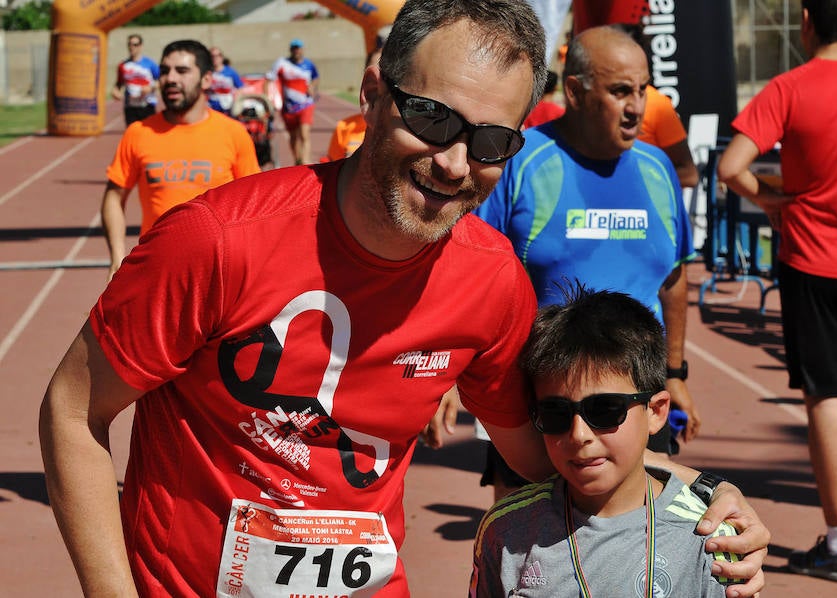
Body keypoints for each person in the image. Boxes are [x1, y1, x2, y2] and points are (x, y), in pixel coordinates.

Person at [39, 2, 768, 596]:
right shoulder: (217, 241)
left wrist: (701, 496)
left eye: (490, 142)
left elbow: (560, 450)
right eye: (431, 117)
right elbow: (73, 410)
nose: (454, 163)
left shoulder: (491, 284)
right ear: (374, 93)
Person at [475, 25, 701, 500]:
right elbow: (473, 272)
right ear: (575, 91)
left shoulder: (658, 169)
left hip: (633, 406)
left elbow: (674, 279)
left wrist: (676, 375)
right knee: (526, 553)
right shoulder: (522, 162)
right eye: (621, 91)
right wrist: (452, 378)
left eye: (643, 90)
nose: (637, 107)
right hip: (542, 405)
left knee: (641, 550)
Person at [718, 0, 837, 583]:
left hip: (811, 265)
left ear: (805, 20)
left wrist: (770, 200)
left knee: (825, 398)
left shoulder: (788, 88)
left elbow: (731, 167)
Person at [470, 285, 743, 597]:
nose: (578, 434)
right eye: (555, 413)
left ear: (655, 411)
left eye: (604, 409)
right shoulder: (506, 530)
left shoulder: (710, 541)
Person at [100, 40, 260, 281]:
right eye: (165, 71)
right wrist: (117, 258)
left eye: (182, 71)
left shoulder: (234, 133)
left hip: (220, 274)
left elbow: (256, 205)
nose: (171, 78)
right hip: (156, 272)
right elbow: (114, 196)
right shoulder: (138, 133)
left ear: (206, 79)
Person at [610, 22, 699, 190]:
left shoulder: (657, 104)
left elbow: (689, 174)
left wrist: (633, 182)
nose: (634, 109)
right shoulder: (590, 102)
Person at [320, 48, 382, 162]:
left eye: (385, 74)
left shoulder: (413, 134)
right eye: (372, 76)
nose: (377, 83)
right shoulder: (344, 128)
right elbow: (333, 174)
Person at [267, 38, 320, 165]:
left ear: (302, 50)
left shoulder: (309, 64)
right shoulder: (282, 63)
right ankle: (298, 160)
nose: (297, 51)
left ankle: (306, 162)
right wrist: (269, 98)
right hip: (289, 107)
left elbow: (315, 78)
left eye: (299, 48)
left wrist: (313, 87)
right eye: (294, 48)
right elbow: (269, 79)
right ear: (291, 50)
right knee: (293, 137)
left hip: (306, 104)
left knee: (304, 134)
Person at [112, 34, 159, 125]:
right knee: (133, 136)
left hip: (147, 105)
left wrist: (151, 87)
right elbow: (118, 84)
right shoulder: (123, 65)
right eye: (130, 44)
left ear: (141, 46)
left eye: (135, 45)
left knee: (148, 136)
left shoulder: (150, 64)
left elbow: (161, 81)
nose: (132, 47)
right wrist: (115, 91)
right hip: (130, 107)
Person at [206, 46, 244, 115]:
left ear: (222, 57)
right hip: (211, 105)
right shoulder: (207, 73)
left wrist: (236, 101)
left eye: (217, 55)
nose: (215, 58)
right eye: (212, 56)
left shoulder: (230, 72)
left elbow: (240, 88)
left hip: (227, 106)